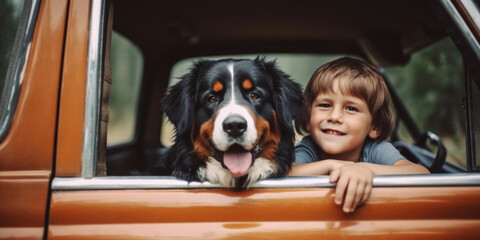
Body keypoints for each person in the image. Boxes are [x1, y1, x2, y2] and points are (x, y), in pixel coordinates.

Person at [289, 57, 430, 213]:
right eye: (324, 105)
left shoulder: (375, 150)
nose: (334, 116)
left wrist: (364, 169)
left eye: (351, 109)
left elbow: (421, 173)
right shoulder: (308, 149)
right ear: (308, 117)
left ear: (374, 126)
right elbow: (285, 173)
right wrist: (331, 166)